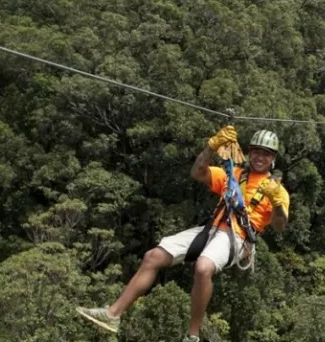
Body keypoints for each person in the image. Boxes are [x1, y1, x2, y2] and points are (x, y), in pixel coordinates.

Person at [76, 126, 290, 342]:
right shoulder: (234, 174)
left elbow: (280, 226)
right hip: (212, 229)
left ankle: (193, 336)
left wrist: (277, 203)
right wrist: (211, 147)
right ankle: (113, 314)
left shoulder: (277, 190)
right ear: (250, 152)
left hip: (238, 238)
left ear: (273, 158)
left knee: (203, 267)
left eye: (266, 154)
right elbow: (198, 172)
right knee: (153, 257)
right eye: (256, 151)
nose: (260, 157)